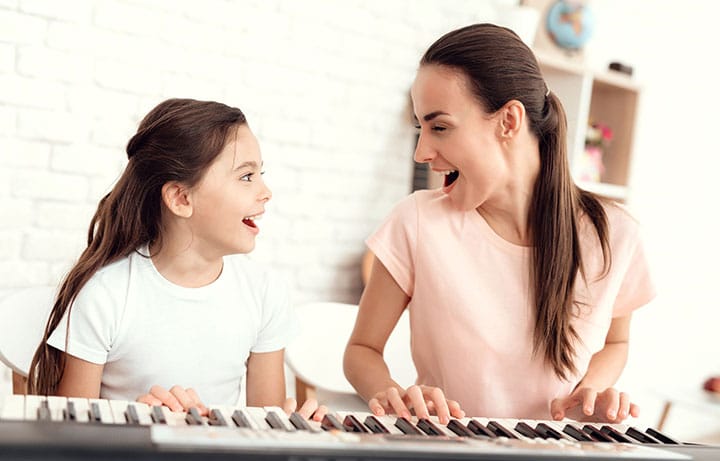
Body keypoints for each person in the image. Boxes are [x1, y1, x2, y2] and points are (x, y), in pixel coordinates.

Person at [343, 24, 655, 425]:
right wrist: (393, 395)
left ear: (508, 121)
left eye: (439, 127)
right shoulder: (415, 221)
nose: (422, 152)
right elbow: (362, 349)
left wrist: (589, 391)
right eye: (420, 128)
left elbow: (616, 340)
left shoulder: (614, 234)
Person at [28, 98, 324, 420]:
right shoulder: (106, 295)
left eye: (260, 173)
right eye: (246, 176)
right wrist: (134, 421)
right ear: (181, 199)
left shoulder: (264, 292)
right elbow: (71, 432)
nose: (266, 191)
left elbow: (264, 427)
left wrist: (294, 427)